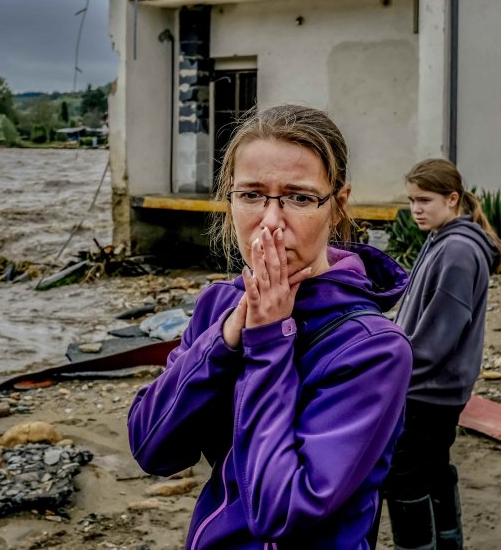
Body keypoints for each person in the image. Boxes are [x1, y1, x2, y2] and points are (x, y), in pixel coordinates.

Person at [127, 104, 414, 549]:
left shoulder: (372, 349)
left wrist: (268, 344)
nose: (271, 222)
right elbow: (152, 447)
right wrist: (222, 343)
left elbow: (281, 511)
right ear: (231, 199)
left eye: (299, 197)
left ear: (337, 206)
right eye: (252, 195)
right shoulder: (218, 307)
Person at [376, 158, 501, 550]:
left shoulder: (458, 251)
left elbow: (437, 340)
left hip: (427, 391)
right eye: (412, 200)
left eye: (425, 200)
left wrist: (394, 376)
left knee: (403, 479)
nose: (416, 209)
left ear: (453, 199)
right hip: (436, 389)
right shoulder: (443, 240)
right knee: (432, 471)